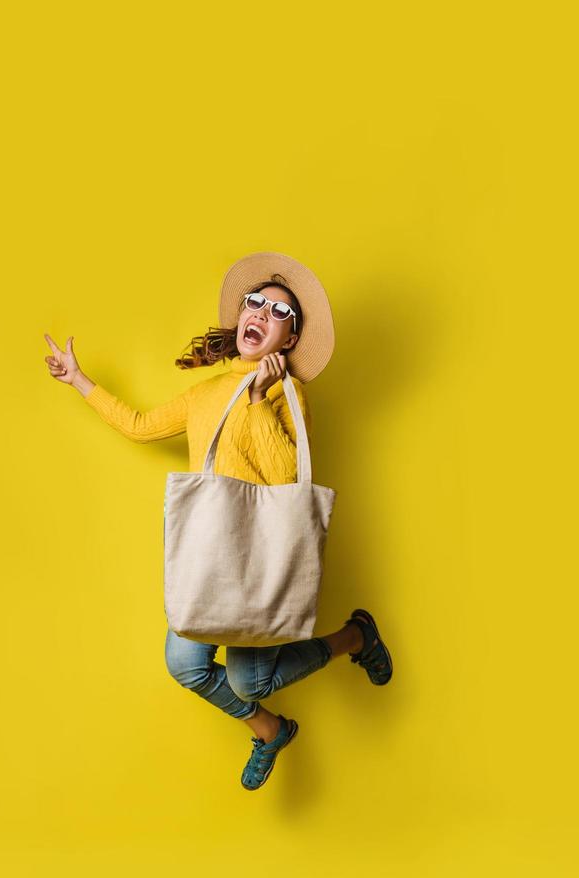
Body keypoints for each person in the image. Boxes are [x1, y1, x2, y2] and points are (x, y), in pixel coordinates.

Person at [43, 251, 393, 791]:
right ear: (241, 317)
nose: (260, 313)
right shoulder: (205, 392)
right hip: (212, 547)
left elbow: (285, 481)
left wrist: (256, 399)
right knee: (185, 664)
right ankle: (270, 728)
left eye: (278, 312)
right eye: (256, 303)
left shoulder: (287, 392)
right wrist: (80, 382)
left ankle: (355, 635)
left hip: (264, 555)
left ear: (291, 339)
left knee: (251, 677)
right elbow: (139, 426)